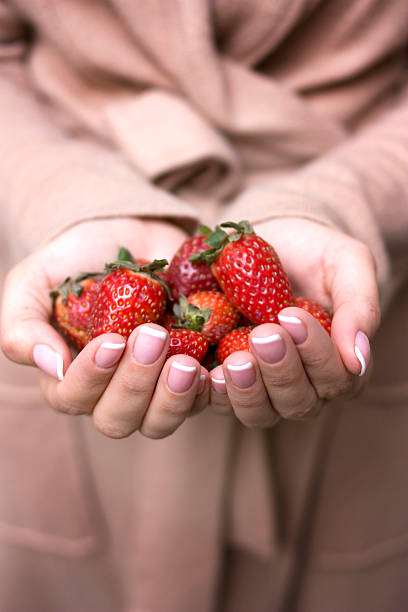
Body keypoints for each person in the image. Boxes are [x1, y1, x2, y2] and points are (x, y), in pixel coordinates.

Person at [0, 1, 407, 610]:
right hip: (57, 187)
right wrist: (65, 198)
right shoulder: (161, 287)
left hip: (364, 270)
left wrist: (346, 198)